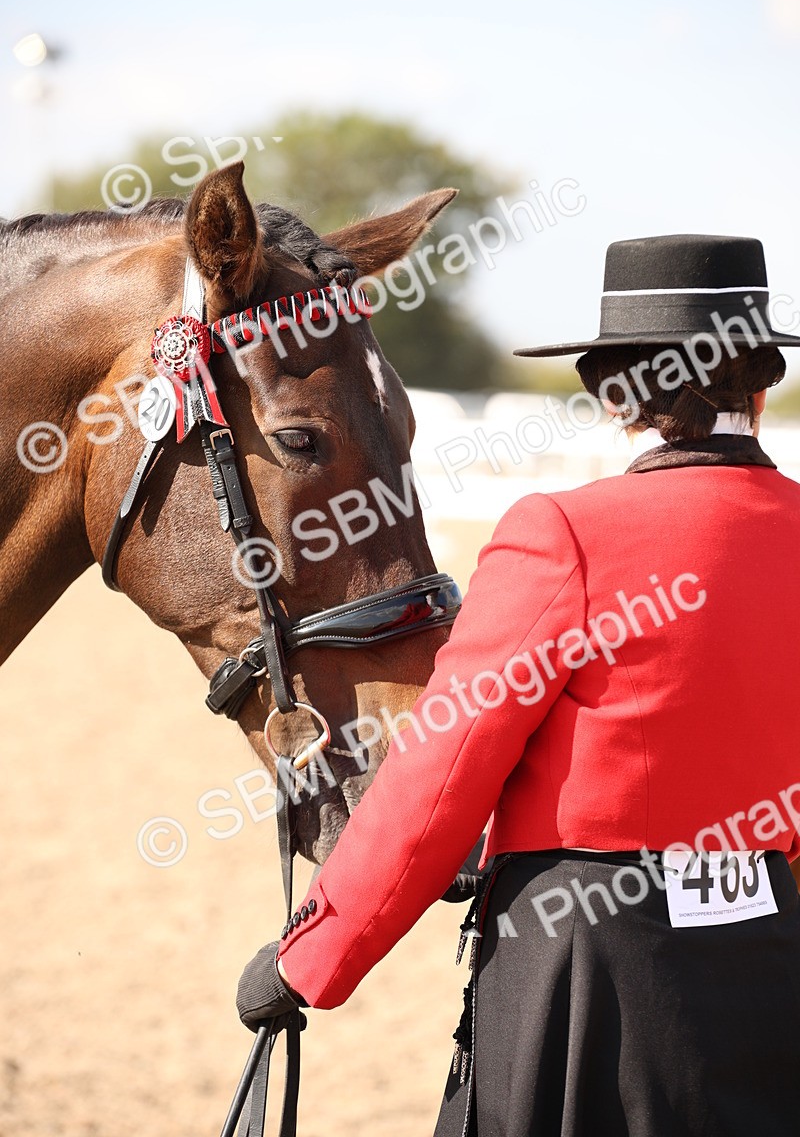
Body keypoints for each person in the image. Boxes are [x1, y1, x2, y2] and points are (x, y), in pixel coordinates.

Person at [236, 234, 800, 1136]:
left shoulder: (563, 533)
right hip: (772, 950)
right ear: (762, 385)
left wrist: (312, 955)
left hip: (594, 968)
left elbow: (442, 774)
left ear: (614, 393)